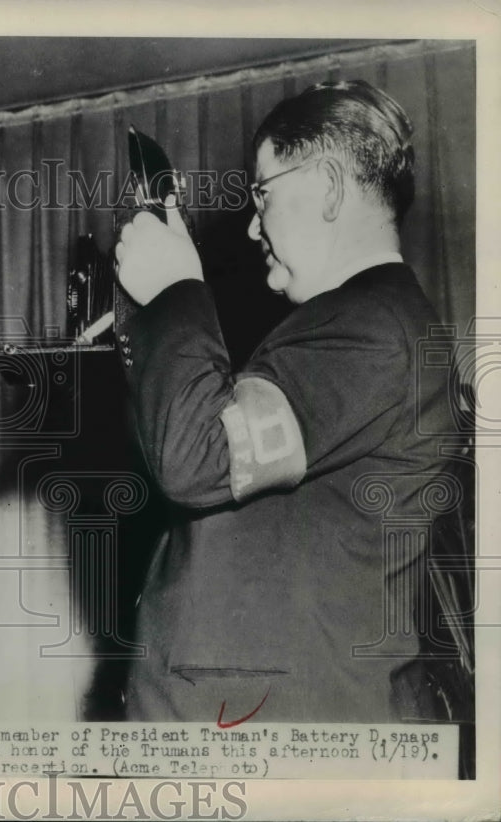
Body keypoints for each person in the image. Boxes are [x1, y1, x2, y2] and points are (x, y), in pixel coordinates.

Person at [114, 81, 462, 722]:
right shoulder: (359, 326)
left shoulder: (370, 328)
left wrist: (176, 292)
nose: (252, 226)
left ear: (328, 186)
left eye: (263, 195)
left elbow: (194, 458)